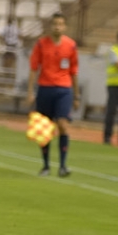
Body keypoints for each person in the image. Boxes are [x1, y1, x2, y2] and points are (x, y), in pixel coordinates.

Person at [26, 12, 80, 177]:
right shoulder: (41, 44)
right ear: (51, 26)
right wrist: (30, 91)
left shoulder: (70, 46)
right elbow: (34, 68)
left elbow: (74, 71)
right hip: (45, 88)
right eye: (55, 23)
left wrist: (76, 95)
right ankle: (46, 165)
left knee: (62, 124)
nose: (57, 27)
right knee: (46, 129)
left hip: (64, 89)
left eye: (60, 24)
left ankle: (63, 165)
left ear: (65, 27)